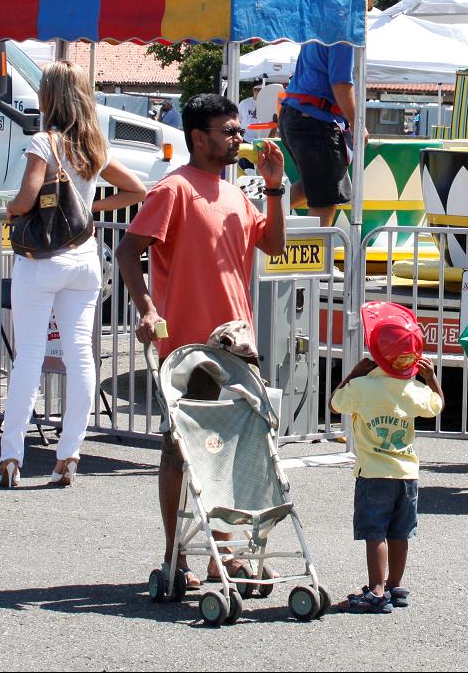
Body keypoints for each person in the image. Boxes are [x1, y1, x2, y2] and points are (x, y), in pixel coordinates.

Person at [115, 93, 287, 588]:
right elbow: (128, 252)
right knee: (180, 449)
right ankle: (175, 558)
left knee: (234, 452)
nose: (239, 138)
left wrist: (274, 190)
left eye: (238, 130)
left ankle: (225, 556)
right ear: (198, 136)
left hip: (236, 344)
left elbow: (272, 245)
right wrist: (148, 308)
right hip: (189, 348)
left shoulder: (236, 194)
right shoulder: (173, 190)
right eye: (229, 131)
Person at [0, 62, 146, 489]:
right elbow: (139, 190)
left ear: (49, 97)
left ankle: (11, 455)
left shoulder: (44, 142)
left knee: (28, 355)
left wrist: (9, 209)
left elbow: (25, 200)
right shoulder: (95, 147)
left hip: (43, 260)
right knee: (81, 353)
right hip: (85, 259)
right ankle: (69, 453)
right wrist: (88, 211)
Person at [330, 302, 444, 614]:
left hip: (373, 473)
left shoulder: (362, 386)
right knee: (400, 533)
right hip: (407, 473)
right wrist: (432, 378)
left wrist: (352, 374)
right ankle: (395, 584)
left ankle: (376, 591)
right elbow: (437, 405)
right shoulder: (413, 388)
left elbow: (335, 404)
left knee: (375, 533)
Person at [278, 42, 359, 226]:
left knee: (314, 186)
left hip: (295, 112)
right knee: (324, 199)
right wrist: (356, 122)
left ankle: (256, 210)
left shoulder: (317, 29)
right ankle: (317, 254)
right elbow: (341, 84)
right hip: (315, 118)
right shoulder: (342, 34)